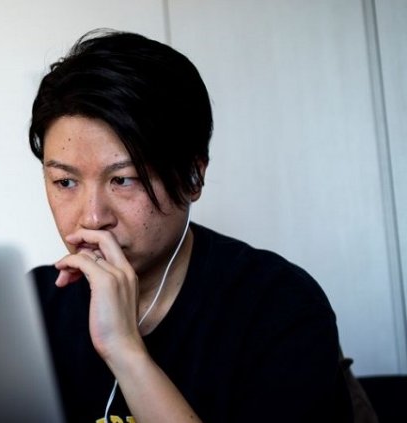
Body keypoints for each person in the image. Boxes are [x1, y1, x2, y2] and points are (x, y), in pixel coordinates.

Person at [29, 30, 354, 422]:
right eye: (65, 182)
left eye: (123, 179)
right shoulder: (27, 309)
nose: (93, 217)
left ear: (192, 178)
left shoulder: (277, 304)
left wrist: (124, 350)